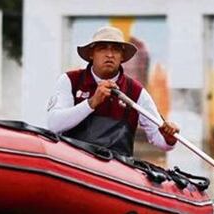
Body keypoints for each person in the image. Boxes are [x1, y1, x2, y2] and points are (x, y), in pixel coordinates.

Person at [48, 26, 178, 155]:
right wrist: (91, 103)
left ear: (122, 56)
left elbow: (158, 138)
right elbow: (54, 125)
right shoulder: (70, 80)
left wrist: (169, 138)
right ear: (91, 54)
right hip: (74, 165)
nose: (109, 55)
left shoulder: (136, 91)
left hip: (116, 169)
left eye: (115, 50)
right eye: (102, 48)